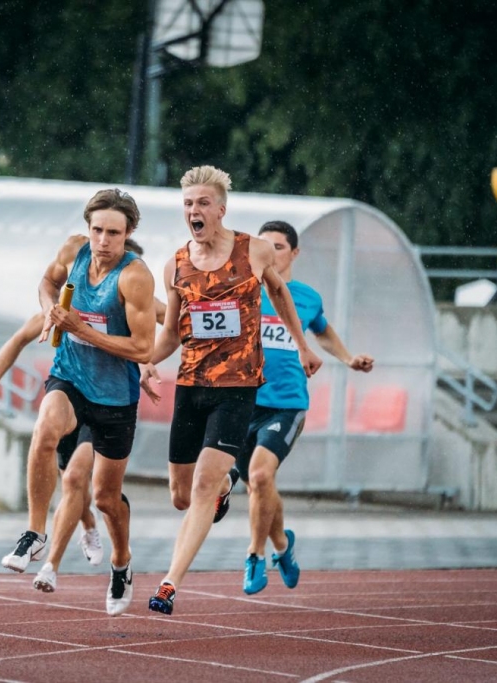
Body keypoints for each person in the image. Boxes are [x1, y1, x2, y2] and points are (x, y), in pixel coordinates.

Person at [143, 165, 323, 616]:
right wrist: (145, 362)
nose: (194, 211)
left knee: (202, 487)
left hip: (238, 388)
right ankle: (226, 487)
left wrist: (302, 345)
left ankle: (169, 584)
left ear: (221, 209)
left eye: (203, 203)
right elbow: (170, 335)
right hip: (191, 386)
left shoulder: (254, 251)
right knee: (181, 495)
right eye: (188, 204)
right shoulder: (176, 265)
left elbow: (280, 295)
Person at [0, 188, 156, 617]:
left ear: (128, 234)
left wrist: (81, 328)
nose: (103, 241)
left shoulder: (135, 277)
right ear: (87, 228)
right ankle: (34, 532)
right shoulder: (73, 250)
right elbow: (48, 281)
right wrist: (52, 309)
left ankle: (121, 561)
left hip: (115, 398)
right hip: (69, 375)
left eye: (113, 233)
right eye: (97, 230)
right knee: (45, 430)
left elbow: (143, 348)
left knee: (106, 499)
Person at [0, 238, 163, 569]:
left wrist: (151, 361)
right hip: (71, 393)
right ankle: (76, 526)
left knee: (75, 480)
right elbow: (19, 338)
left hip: (110, 402)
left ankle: (59, 561)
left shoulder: (140, 296)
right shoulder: (75, 300)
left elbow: (172, 327)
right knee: (60, 461)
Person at [235, 221, 374, 594]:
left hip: (286, 404)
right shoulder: (242, 290)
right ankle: (283, 545)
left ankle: (255, 555)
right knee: (258, 488)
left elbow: (322, 331)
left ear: (294, 253)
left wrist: (347, 359)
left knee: (261, 477)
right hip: (243, 402)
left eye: (278, 247)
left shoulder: (306, 297)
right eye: (263, 246)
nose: (270, 252)